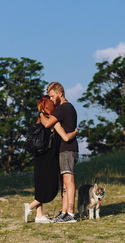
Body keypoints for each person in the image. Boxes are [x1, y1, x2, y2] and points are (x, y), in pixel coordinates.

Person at [24, 95, 79, 223]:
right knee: (50, 187)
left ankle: (39, 215)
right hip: (49, 158)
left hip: (39, 156)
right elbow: (65, 137)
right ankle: (30, 207)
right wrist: (76, 132)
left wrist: (41, 114)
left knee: (40, 186)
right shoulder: (54, 122)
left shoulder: (40, 120)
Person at [39, 82, 79, 223]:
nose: (51, 99)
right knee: (64, 182)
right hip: (67, 149)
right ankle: (64, 212)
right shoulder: (69, 108)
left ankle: (71, 213)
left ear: (60, 94)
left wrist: (41, 114)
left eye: (52, 96)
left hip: (68, 149)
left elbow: (47, 123)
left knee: (69, 181)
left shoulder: (63, 108)